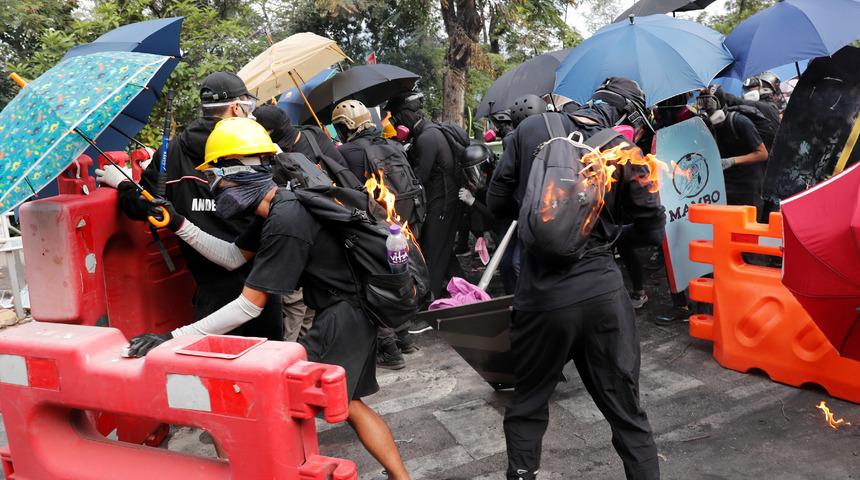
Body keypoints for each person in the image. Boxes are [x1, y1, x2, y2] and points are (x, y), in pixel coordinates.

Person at [127, 117, 412, 480]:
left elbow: (249, 305)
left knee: (287, 396)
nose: (214, 188)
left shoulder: (287, 218)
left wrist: (172, 337)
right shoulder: (277, 205)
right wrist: (178, 223)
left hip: (345, 315)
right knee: (348, 403)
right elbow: (232, 257)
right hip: (348, 311)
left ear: (240, 174)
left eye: (216, 177)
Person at [488, 77, 665, 480]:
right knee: (627, 412)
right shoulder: (624, 149)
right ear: (624, 114)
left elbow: (495, 203)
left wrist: (542, 217)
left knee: (528, 404)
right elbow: (652, 230)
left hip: (541, 295)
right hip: (602, 292)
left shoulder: (531, 129)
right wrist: (607, 234)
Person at [96, 71, 283, 340]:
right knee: (267, 359)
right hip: (261, 279)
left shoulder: (172, 152)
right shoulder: (251, 146)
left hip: (211, 286)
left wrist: (124, 184)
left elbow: (141, 204)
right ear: (236, 107)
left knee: (212, 361)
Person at [331, 99, 420, 369]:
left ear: (345, 127)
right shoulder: (393, 145)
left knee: (372, 283)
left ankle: (389, 349)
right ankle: (404, 337)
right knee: (398, 278)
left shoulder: (347, 152)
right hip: (403, 226)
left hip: (372, 226)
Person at [254, 104, 352, 342]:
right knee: (310, 305)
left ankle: (293, 353)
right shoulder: (315, 135)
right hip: (334, 226)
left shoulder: (280, 158)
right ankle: (308, 350)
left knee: (295, 303)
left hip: (305, 234)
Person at [386, 91, 464, 300]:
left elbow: (418, 178)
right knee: (445, 254)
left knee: (432, 256)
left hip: (441, 206)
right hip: (446, 204)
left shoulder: (427, 137)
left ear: (408, 114)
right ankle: (467, 293)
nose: (397, 122)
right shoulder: (430, 132)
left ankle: (431, 301)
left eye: (398, 117)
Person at [696, 87, 769, 208]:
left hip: (748, 186)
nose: (706, 108)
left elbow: (763, 153)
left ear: (719, 103)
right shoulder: (709, 127)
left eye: (709, 104)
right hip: (726, 185)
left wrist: (732, 161)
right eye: (702, 103)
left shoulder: (740, 121)